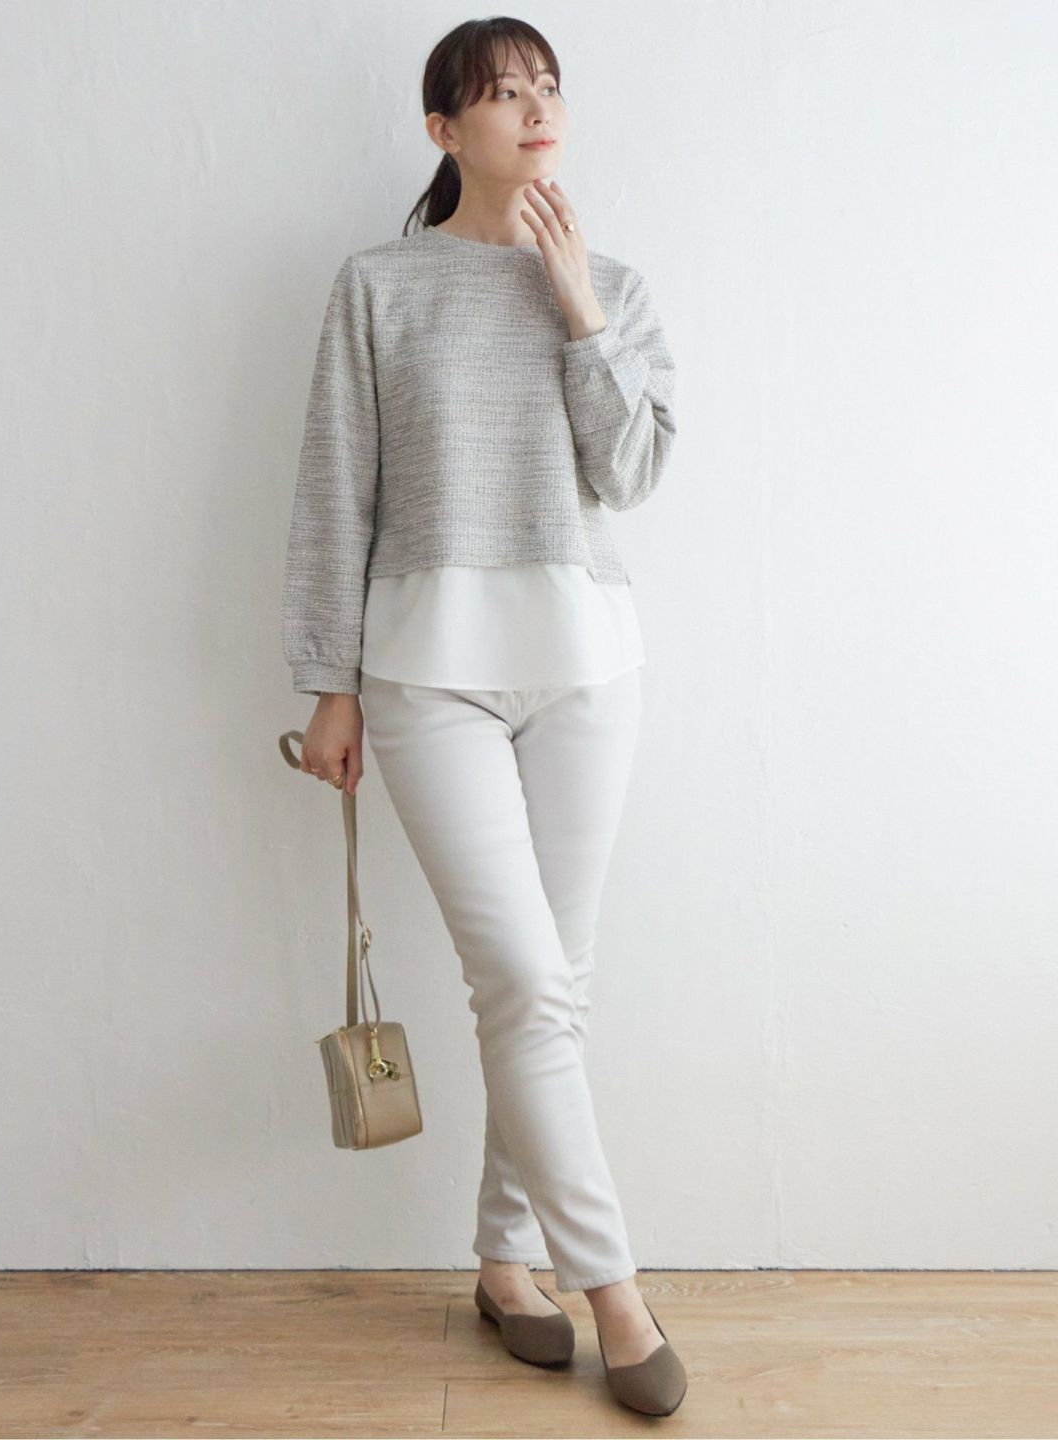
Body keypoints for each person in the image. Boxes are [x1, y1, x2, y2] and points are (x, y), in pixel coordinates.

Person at [280, 16, 686, 1417]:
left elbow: (632, 475)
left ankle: (508, 1265)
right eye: (502, 93)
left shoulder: (613, 286)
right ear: (445, 131)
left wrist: (579, 312)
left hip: (585, 672)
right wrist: (329, 682)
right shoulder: (379, 285)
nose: (534, 108)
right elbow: (336, 487)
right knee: (524, 979)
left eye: (547, 87)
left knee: (551, 985)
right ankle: (615, 1293)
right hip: (426, 674)